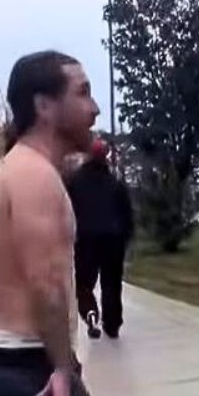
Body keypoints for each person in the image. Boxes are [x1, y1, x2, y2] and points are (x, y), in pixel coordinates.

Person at [0, 50, 104, 396]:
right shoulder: (35, 175)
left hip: (15, 371)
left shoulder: (16, 169)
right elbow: (45, 283)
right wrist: (63, 369)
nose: (95, 108)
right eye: (82, 93)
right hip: (36, 373)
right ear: (44, 105)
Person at [66, 138, 134, 339]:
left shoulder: (75, 183)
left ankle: (90, 311)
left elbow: (67, 211)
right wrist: (126, 236)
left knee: (84, 283)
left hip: (86, 238)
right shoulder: (115, 184)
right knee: (112, 282)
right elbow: (127, 214)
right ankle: (112, 323)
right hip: (113, 239)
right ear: (106, 158)